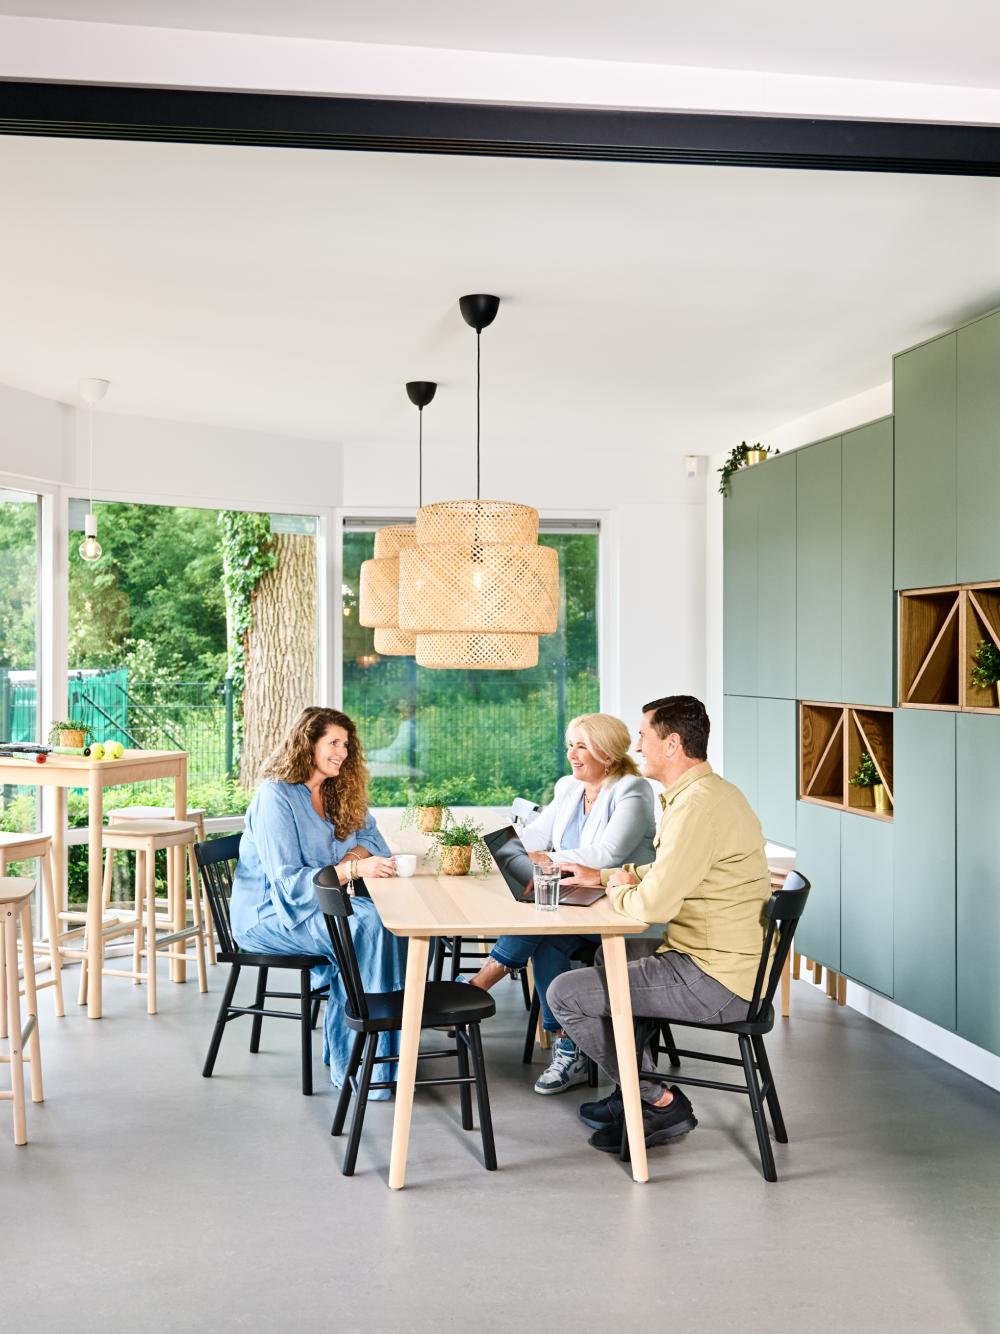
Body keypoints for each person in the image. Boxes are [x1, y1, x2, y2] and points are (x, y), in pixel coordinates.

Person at [549, 695, 771, 1153]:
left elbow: (650, 906)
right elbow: (666, 873)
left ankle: (658, 1099)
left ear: (671, 744)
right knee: (607, 955)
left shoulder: (696, 809)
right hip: (722, 962)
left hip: (715, 980)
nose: (637, 745)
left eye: (644, 736)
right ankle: (630, 1091)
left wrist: (617, 889)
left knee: (565, 993)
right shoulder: (707, 795)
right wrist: (608, 875)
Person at [464, 713, 656, 1095]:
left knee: (544, 921)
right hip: (576, 900)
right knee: (546, 928)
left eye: (582, 745)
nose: (572, 753)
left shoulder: (632, 789)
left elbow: (607, 854)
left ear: (608, 752)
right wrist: (502, 845)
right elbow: (534, 835)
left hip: (618, 906)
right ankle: (569, 1042)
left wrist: (547, 859)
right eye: (570, 744)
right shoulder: (569, 786)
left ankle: (480, 983)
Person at [230, 706, 406, 1099]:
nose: (342, 753)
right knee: (364, 928)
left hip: (319, 903)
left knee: (393, 922)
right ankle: (361, 1068)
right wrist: (350, 871)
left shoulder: (337, 789)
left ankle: (386, 1053)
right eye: (333, 743)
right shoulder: (275, 796)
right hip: (269, 915)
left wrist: (346, 862)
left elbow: (376, 842)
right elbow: (289, 884)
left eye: (346, 744)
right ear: (307, 744)